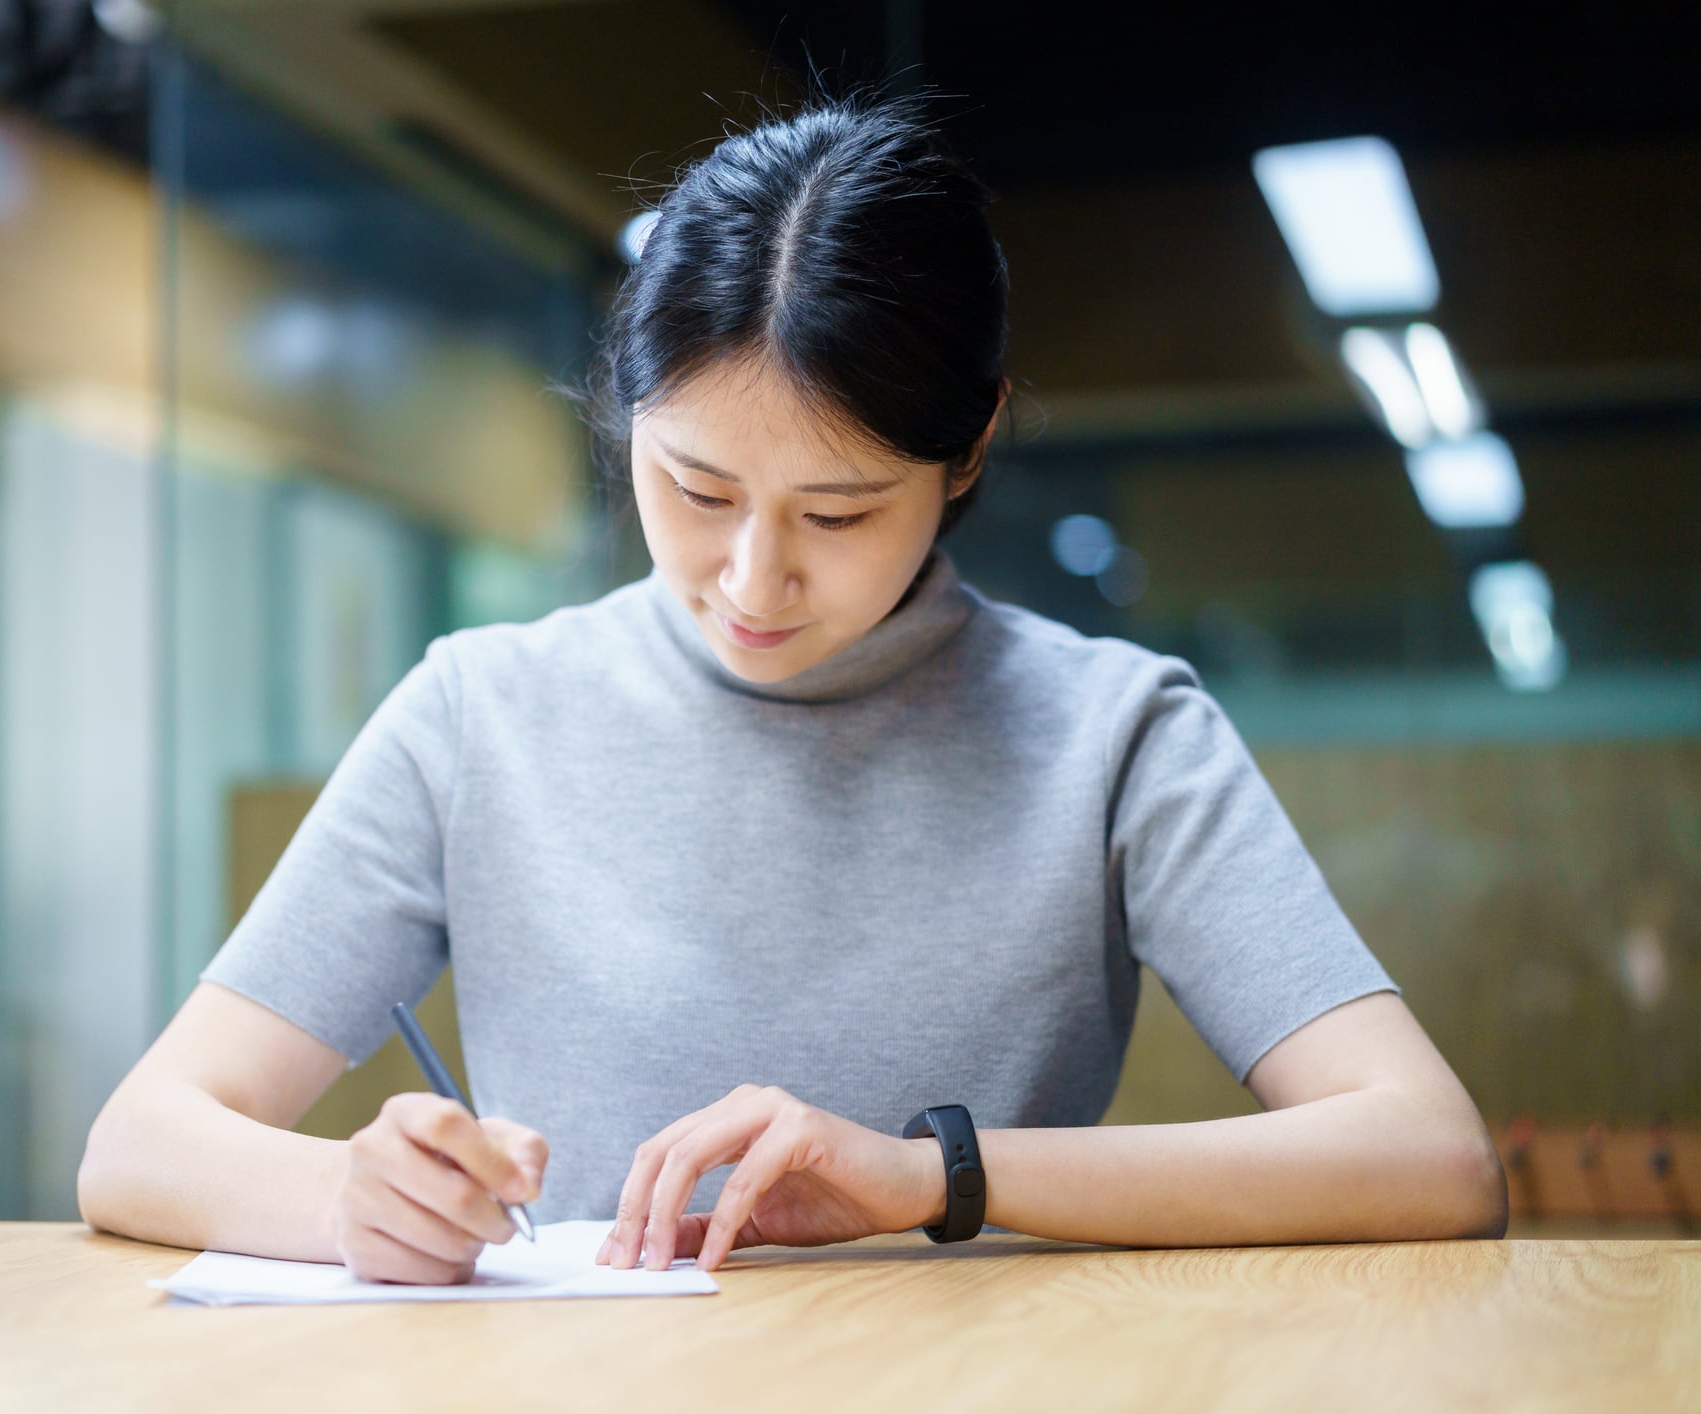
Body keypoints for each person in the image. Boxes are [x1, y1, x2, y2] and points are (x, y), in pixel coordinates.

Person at [77, 90, 1507, 1285]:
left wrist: (926, 1174)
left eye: (836, 515)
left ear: (967, 452)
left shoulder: (1113, 735)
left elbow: (1428, 1153)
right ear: (622, 414)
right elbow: (141, 1142)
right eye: (694, 489)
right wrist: (352, 1200)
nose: (752, 580)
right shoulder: (481, 712)